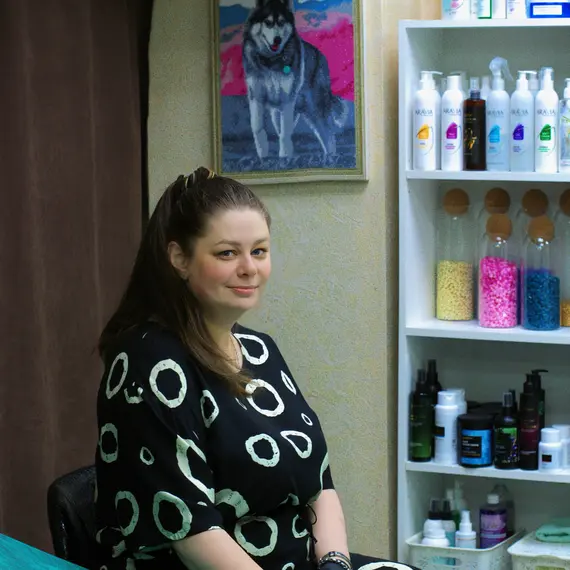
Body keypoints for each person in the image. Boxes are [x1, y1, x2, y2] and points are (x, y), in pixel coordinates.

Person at [94, 167, 418, 570]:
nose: (249, 268)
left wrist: (335, 562)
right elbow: (191, 534)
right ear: (179, 259)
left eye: (260, 251)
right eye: (227, 253)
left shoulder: (260, 349)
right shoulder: (150, 365)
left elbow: (319, 483)